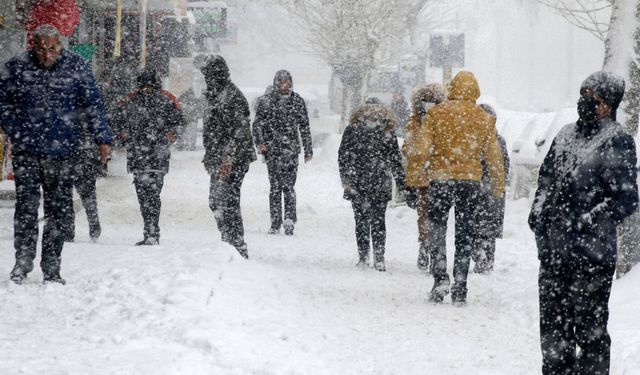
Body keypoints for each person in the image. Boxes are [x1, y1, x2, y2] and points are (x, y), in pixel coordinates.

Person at [528, 71, 638, 375]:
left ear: (609, 103)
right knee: (553, 334)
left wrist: (588, 220)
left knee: (590, 334)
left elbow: (626, 199)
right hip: (553, 253)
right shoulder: (564, 134)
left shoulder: (617, 140)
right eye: (583, 94)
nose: (585, 102)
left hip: (592, 256)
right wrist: (539, 212)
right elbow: (546, 179)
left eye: (594, 97)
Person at [0, 25, 112, 285]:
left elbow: (93, 104)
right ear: (33, 45)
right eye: (40, 48)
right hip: (27, 149)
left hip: (63, 151)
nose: (46, 54)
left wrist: (102, 139)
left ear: (60, 46)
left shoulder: (76, 67)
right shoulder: (17, 67)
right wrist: (16, 130)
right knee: (26, 208)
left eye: (51, 48)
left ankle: (51, 267)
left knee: (58, 210)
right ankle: (23, 262)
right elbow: (3, 103)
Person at [409, 71, 505, 305]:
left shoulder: (436, 114)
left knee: (438, 229)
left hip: (441, 179)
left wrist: (413, 175)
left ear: (452, 89)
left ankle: (440, 277)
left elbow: (421, 149)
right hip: (470, 181)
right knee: (465, 233)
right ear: (475, 91)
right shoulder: (484, 119)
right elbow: (494, 156)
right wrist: (498, 184)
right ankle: (460, 284)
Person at [113, 69, 184, 246]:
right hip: (144, 155)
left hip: (152, 154)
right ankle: (150, 230)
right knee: (145, 194)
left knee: (151, 194)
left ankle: (152, 231)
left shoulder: (163, 100)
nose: (146, 90)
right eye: (144, 86)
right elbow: (117, 122)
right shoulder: (132, 100)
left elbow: (179, 122)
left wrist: (171, 135)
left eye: (149, 86)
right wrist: (124, 136)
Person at [200, 55, 256, 258]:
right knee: (216, 201)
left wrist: (228, 159)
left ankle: (237, 244)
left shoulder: (232, 96)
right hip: (218, 156)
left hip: (235, 158)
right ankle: (228, 239)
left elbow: (239, 132)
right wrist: (210, 153)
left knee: (227, 199)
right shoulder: (214, 94)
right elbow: (212, 129)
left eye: (207, 73)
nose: (206, 78)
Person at [338, 102, 405, 272]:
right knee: (378, 221)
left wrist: (346, 180)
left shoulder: (353, 130)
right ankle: (379, 257)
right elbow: (395, 160)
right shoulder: (387, 132)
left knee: (361, 221)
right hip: (379, 183)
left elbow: (343, 156)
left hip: (358, 182)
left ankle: (363, 256)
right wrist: (402, 183)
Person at [252, 70, 313, 235]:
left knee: (289, 187)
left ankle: (289, 220)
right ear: (276, 83)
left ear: (291, 83)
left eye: (287, 82)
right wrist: (261, 143)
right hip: (272, 151)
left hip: (291, 151)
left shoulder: (297, 101)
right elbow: (257, 125)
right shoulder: (266, 102)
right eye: (281, 82)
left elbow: (305, 127)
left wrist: (308, 149)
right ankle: (275, 221)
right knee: (275, 187)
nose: (284, 86)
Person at [402, 83, 446, 271]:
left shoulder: (416, 122)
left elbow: (408, 147)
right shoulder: (444, 119)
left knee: (425, 214)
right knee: (434, 215)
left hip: (425, 175)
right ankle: (432, 247)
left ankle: (427, 245)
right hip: (437, 175)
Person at [471, 103, 510, 273]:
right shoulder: (499, 140)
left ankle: (478, 253)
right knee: (489, 229)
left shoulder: (470, 140)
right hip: (493, 190)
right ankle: (486, 258)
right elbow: (505, 166)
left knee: (473, 225)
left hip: (476, 188)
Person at [62, 129, 104, 243]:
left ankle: (68, 230)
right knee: (87, 194)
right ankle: (93, 225)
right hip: (84, 153)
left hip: (68, 153)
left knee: (66, 195)